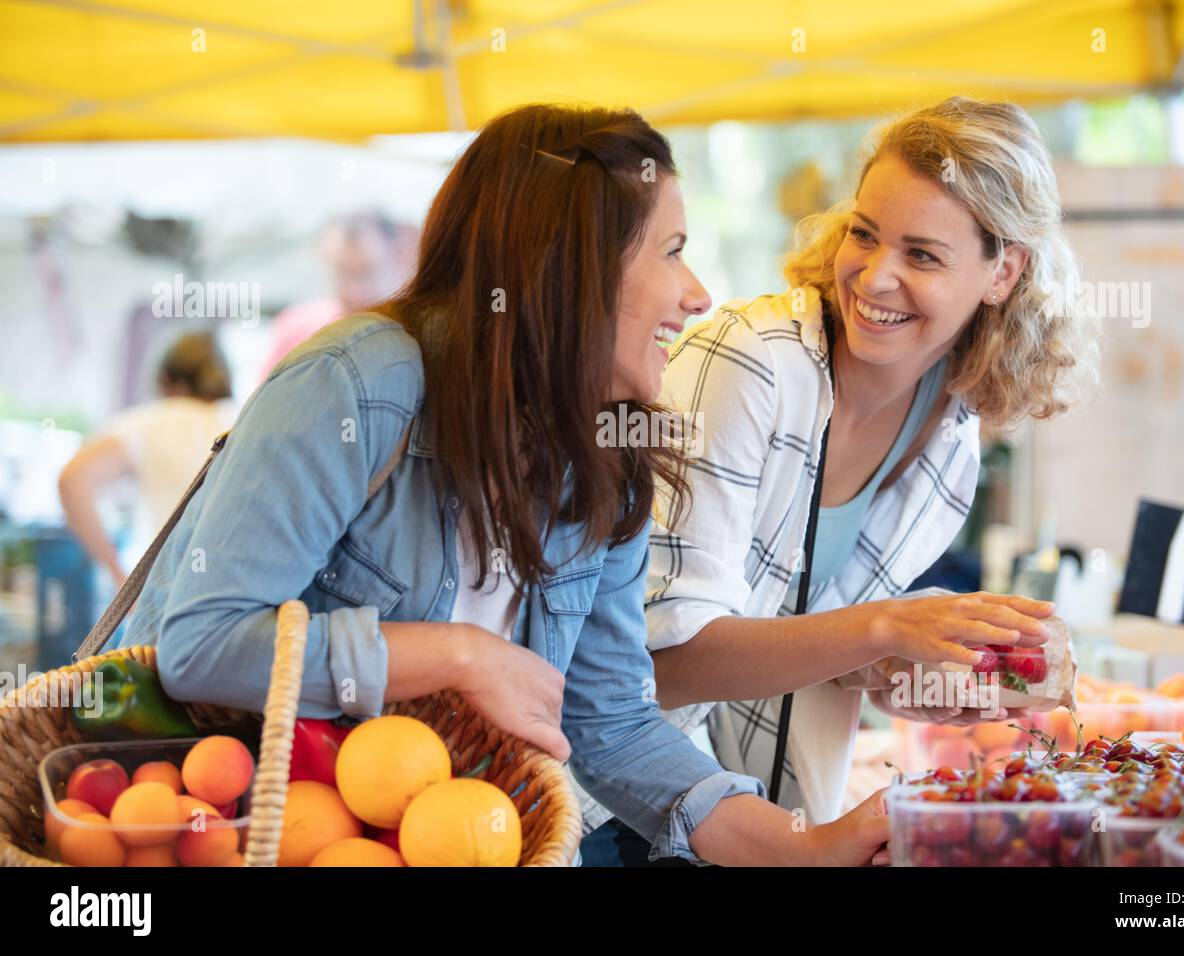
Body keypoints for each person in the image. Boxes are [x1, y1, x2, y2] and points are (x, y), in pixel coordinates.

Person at [120, 103, 891, 866]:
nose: (698, 294)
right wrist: (455, 655)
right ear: (568, 263)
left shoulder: (606, 462)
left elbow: (612, 724)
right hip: (210, 835)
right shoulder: (358, 383)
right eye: (671, 251)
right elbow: (204, 645)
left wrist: (810, 848)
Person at [582, 97, 1100, 862]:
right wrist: (885, 627)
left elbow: (809, 647)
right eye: (865, 233)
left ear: (1004, 271)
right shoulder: (753, 363)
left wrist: (921, 674)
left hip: (763, 823)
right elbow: (657, 668)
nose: (877, 276)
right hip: (617, 817)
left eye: (922, 255)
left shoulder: (950, 439)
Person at [59, 331, 237, 588]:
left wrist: (116, 572)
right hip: (237, 596)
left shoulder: (149, 423)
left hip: (166, 592)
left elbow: (72, 480)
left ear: (165, 380)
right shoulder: (245, 418)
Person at [257, 212, 414, 380]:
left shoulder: (415, 334)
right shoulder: (296, 329)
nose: (354, 291)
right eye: (342, 274)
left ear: (398, 258)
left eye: (365, 274)